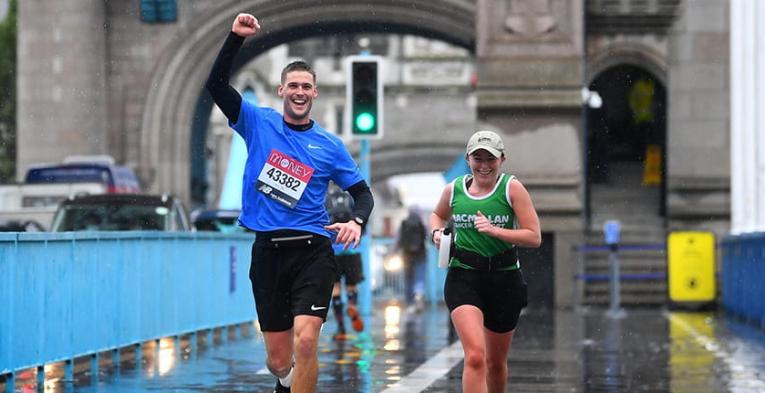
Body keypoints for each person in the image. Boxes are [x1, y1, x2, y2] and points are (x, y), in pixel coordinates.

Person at [205, 13, 374, 393]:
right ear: (282, 91)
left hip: (312, 250)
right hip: (268, 252)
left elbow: (363, 194)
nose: (299, 92)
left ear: (315, 94)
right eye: (293, 85)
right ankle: (286, 382)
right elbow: (215, 85)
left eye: (306, 87)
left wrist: (357, 222)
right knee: (279, 361)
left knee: (307, 341)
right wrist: (235, 38)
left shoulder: (330, 146)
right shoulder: (256, 122)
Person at [430, 130, 541, 393]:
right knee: (476, 356)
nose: (484, 165)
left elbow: (534, 236)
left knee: (495, 363)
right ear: (468, 159)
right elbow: (437, 215)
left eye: (490, 159)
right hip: (464, 277)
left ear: (502, 160)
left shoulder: (511, 188)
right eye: (478, 158)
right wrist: (436, 233)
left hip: (504, 278)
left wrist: (495, 231)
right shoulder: (454, 189)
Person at [325, 184, 365, 339]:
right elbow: (362, 221)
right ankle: (352, 306)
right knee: (351, 285)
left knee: (335, 288)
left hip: (333, 250)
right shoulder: (351, 198)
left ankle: (341, 328)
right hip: (352, 249)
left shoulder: (327, 199)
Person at [395, 206, 427, 308]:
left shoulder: (404, 224)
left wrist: (393, 252)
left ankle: (410, 303)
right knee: (420, 278)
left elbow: (398, 239)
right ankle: (419, 296)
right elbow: (428, 237)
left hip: (407, 256)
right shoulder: (421, 224)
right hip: (421, 255)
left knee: (408, 279)